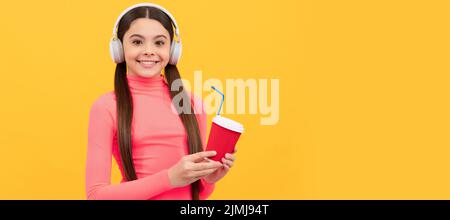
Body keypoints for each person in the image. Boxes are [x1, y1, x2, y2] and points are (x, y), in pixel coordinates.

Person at [85, 3, 236, 200]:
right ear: (119, 48)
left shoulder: (191, 102)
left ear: (173, 50)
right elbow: (96, 195)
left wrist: (209, 178)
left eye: (159, 43)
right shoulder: (106, 107)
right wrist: (170, 178)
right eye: (137, 42)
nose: (149, 50)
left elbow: (199, 193)